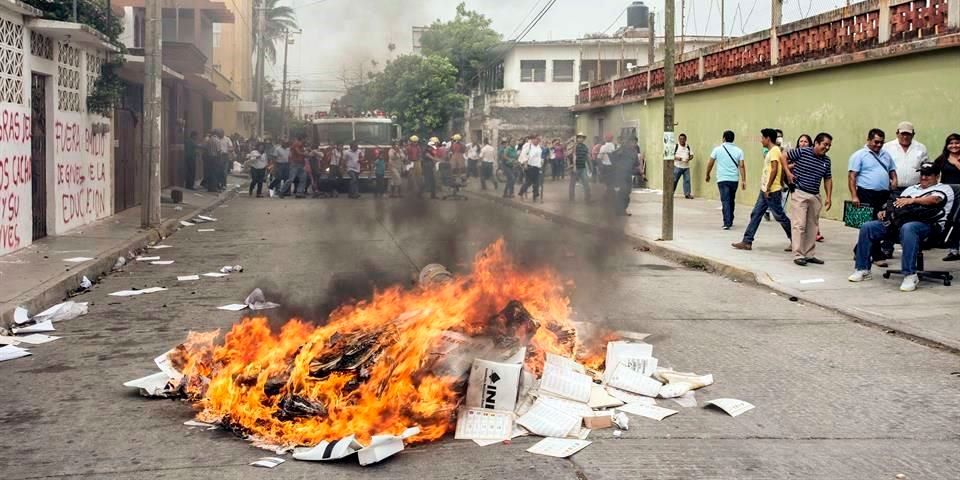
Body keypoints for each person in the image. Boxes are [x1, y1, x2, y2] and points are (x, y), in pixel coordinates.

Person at [848, 162, 955, 291]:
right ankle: (862, 269)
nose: (924, 177)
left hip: (930, 225)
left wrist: (913, 200)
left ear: (937, 176)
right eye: (922, 174)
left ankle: (910, 275)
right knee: (868, 227)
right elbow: (896, 203)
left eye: (928, 175)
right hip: (900, 223)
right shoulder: (911, 189)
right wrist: (886, 212)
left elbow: (935, 200)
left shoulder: (944, 188)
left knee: (909, 228)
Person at [732, 129, 791, 251]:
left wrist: (769, 187)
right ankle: (747, 241)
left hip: (771, 190)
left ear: (768, 138)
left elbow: (774, 169)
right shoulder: (772, 151)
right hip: (765, 189)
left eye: (762, 138)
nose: (761, 140)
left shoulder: (774, 151)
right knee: (756, 213)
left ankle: (796, 240)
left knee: (780, 216)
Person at [782, 132, 834, 266]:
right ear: (816, 143)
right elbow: (784, 155)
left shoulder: (826, 161)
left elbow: (828, 178)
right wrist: (788, 173)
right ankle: (798, 254)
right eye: (825, 144)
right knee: (799, 225)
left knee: (812, 226)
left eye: (829, 145)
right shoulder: (802, 152)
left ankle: (809, 254)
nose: (827, 147)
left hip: (815, 195)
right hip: (799, 193)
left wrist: (828, 196)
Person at [848, 128, 898, 263]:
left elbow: (892, 170)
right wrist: (854, 196)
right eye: (876, 142)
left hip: (883, 195)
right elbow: (852, 177)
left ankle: (859, 250)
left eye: (881, 142)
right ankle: (876, 255)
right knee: (870, 225)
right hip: (866, 193)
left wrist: (894, 180)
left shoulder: (886, 155)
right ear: (869, 140)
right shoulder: (859, 155)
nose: (879, 145)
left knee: (883, 223)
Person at [705, 130, 746, 230]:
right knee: (731, 199)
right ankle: (730, 218)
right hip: (734, 180)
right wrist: (744, 180)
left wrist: (707, 174)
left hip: (722, 179)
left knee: (725, 200)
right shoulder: (739, 151)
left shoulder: (717, 149)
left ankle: (727, 222)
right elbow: (741, 166)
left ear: (723, 138)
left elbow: (710, 163)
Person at [934, 133, 960, 261]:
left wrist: (956, 163)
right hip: (949, 194)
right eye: (951, 143)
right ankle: (953, 250)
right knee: (952, 220)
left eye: (957, 143)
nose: (954, 146)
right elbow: (933, 173)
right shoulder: (942, 158)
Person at [883, 121, 928, 193]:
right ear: (897, 134)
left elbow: (925, 168)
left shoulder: (921, 147)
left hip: (915, 189)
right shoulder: (887, 147)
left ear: (913, 134)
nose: (905, 137)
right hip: (893, 189)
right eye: (902, 134)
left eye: (908, 134)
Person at [610, 136, 640, 216]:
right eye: (632, 142)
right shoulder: (622, 149)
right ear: (629, 142)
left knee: (627, 192)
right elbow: (612, 156)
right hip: (621, 175)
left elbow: (636, 163)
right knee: (622, 192)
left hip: (628, 175)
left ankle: (622, 210)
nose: (633, 144)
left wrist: (639, 171)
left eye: (635, 142)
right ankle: (619, 210)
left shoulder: (634, 152)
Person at [519, 136, 544, 200]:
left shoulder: (539, 147)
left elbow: (539, 156)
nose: (538, 141)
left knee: (536, 182)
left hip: (537, 166)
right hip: (529, 166)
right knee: (528, 182)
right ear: (533, 140)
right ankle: (521, 192)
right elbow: (523, 155)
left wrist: (541, 161)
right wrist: (525, 163)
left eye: (539, 140)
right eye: (537, 139)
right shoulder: (528, 146)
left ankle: (535, 196)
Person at [570, 133, 592, 202]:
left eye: (582, 137)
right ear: (577, 138)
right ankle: (571, 198)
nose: (581, 139)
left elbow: (587, 157)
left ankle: (587, 197)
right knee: (572, 183)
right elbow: (570, 155)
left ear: (584, 139)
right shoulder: (574, 146)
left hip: (582, 167)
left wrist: (590, 166)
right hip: (575, 168)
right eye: (579, 137)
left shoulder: (585, 147)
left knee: (586, 183)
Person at [672, 133, 694, 199]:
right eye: (680, 139)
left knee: (687, 180)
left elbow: (692, 155)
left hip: (686, 167)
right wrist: (677, 158)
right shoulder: (676, 146)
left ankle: (687, 194)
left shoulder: (687, 146)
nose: (682, 140)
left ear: (685, 139)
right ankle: (670, 192)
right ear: (678, 139)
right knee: (674, 180)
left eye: (683, 139)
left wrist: (689, 159)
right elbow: (670, 155)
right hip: (677, 166)